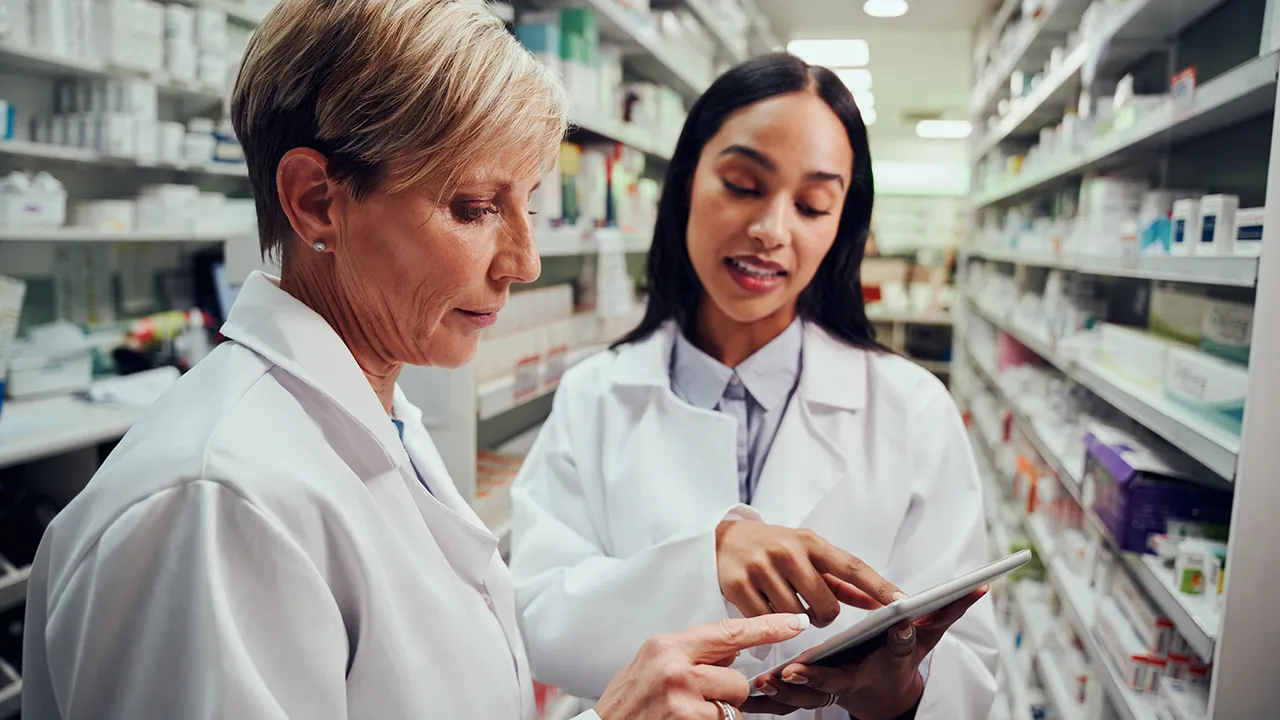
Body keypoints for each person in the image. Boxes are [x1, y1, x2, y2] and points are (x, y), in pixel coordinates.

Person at [17, 4, 850, 719]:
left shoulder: (376, 419)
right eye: (475, 207)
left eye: (526, 206)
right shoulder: (217, 505)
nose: (522, 261)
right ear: (316, 199)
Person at [509, 53, 998, 720]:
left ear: (840, 227)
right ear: (684, 185)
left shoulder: (912, 410)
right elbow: (534, 617)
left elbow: (970, 667)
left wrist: (898, 692)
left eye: (812, 204)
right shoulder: (597, 394)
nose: (772, 231)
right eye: (742, 184)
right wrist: (702, 567)